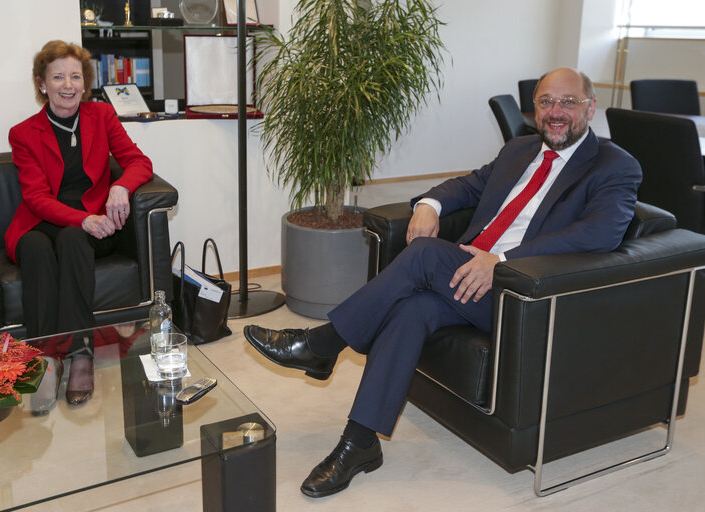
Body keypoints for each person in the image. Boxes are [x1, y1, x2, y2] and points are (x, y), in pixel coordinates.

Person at [243, 68, 643, 497]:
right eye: (546, 102)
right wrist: (429, 204)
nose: (556, 112)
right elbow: (468, 186)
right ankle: (358, 443)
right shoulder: (520, 148)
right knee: (410, 309)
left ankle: (322, 345)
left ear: (589, 106)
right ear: (535, 108)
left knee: (425, 254)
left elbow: (600, 234)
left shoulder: (614, 165)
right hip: (471, 280)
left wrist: (502, 261)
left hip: (523, 292)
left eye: (568, 102)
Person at [6, 40, 152, 409]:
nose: (67, 84)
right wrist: (82, 218)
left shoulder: (101, 117)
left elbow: (139, 162)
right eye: (58, 77)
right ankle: (45, 358)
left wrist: (120, 186)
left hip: (92, 227)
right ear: (42, 84)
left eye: (75, 76)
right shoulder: (23, 133)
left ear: (85, 83)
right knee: (37, 248)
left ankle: (80, 353)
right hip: (41, 222)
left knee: (73, 239)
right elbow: (36, 198)